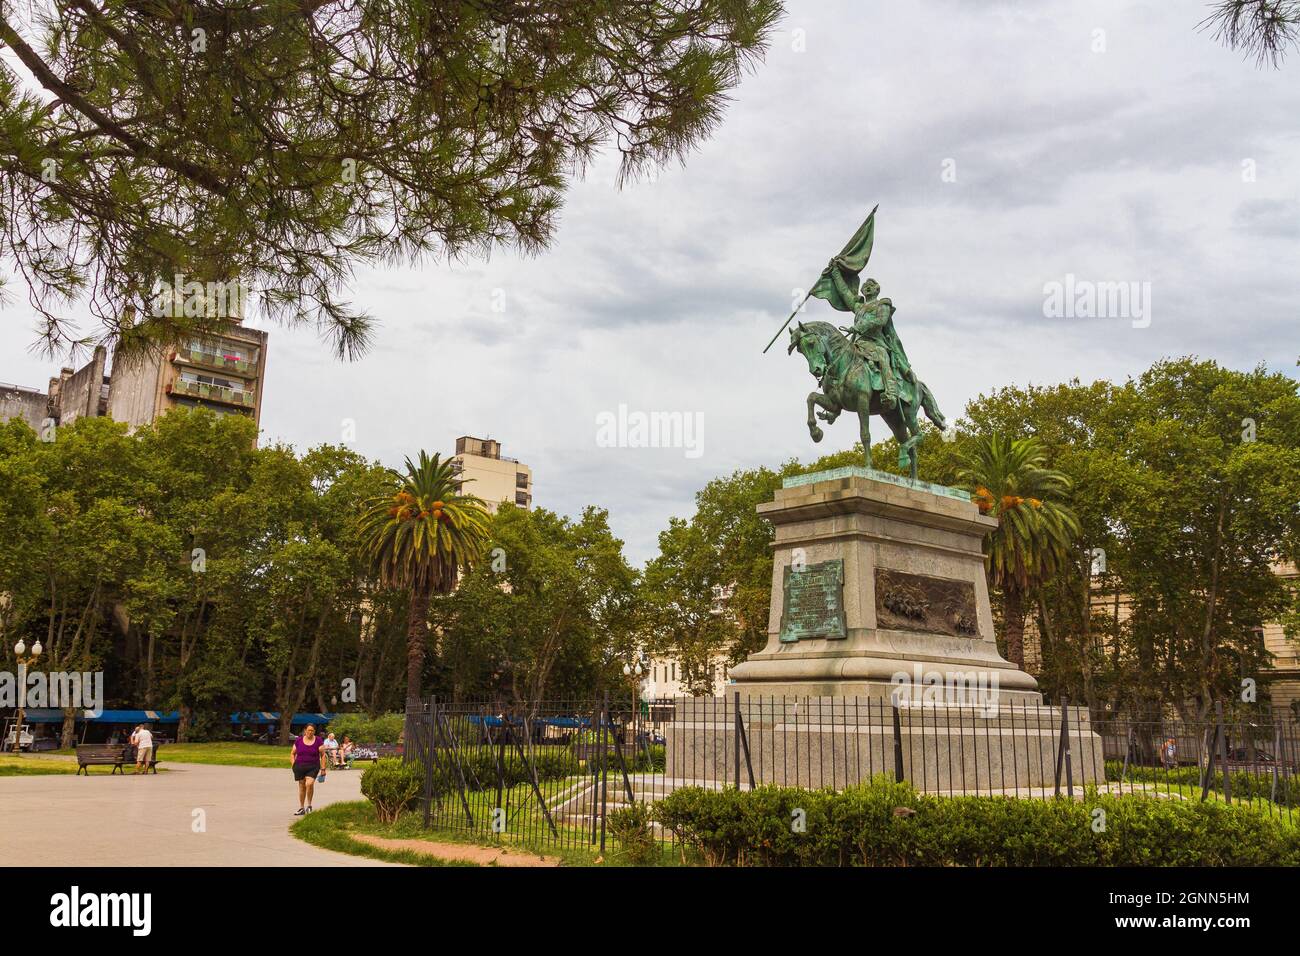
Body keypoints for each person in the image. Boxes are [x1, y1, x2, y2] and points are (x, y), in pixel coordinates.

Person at [291, 723, 326, 814]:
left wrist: (323, 769)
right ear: (305, 730)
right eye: (309, 730)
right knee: (302, 786)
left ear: (314, 731)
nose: (310, 732)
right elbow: (292, 753)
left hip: (313, 766)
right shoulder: (298, 741)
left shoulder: (318, 740)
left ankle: (309, 805)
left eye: (312, 730)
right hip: (299, 767)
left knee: (309, 784)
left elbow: (323, 755)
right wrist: (293, 764)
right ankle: (302, 808)